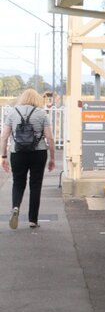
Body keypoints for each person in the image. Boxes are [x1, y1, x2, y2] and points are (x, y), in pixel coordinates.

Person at [1, 88, 56, 229]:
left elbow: (4, 136)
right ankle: (33, 220)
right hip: (38, 153)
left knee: (18, 182)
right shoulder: (41, 113)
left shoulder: (12, 112)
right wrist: (52, 158)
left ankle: (15, 207)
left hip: (17, 153)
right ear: (37, 99)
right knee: (35, 185)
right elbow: (49, 138)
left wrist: (3, 156)